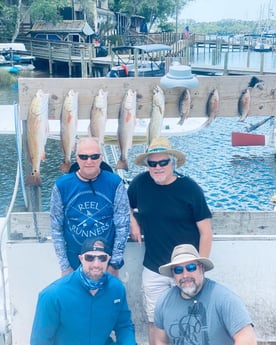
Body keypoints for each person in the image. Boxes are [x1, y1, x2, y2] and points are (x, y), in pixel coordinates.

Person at [127, 136, 213, 344]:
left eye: (163, 162)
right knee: (155, 322)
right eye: (152, 163)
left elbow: (206, 232)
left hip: (186, 268)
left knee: (192, 320)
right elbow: (124, 204)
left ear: (173, 163)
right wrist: (133, 222)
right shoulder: (140, 184)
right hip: (154, 268)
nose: (158, 167)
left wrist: (199, 266)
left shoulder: (190, 188)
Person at [30, 237, 136, 345]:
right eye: (90, 257)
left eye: (102, 258)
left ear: (108, 259)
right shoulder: (52, 295)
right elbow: (40, 340)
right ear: (81, 259)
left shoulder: (116, 288)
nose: (96, 264)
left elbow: (124, 326)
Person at [50, 137, 130, 277]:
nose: (89, 161)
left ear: (101, 157)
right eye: (83, 156)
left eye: (94, 156)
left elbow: (122, 226)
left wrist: (115, 264)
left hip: (106, 260)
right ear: (77, 158)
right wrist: (65, 267)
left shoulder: (115, 183)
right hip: (74, 261)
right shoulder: (61, 186)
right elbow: (56, 228)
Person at [154, 244, 257, 345]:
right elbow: (160, 341)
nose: (185, 275)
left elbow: (248, 340)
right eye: (178, 270)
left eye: (191, 267)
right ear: (173, 275)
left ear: (202, 268)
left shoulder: (225, 299)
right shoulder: (163, 302)